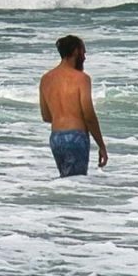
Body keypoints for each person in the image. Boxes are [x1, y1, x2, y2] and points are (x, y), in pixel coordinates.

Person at [39, 34, 106, 177]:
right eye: (84, 52)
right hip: (76, 137)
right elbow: (88, 115)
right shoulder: (82, 79)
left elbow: (45, 116)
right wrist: (101, 145)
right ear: (76, 51)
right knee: (76, 183)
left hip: (56, 138)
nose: (85, 57)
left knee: (66, 183)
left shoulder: (46, 79)